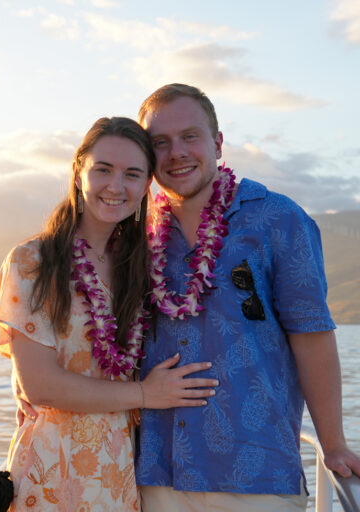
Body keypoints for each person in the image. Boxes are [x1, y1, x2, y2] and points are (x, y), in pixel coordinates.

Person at [133, 83, 360, 512]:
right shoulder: (135, 232)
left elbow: (311, 335)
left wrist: (334, 445)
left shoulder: (278, 218)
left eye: (190, 137)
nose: (176, 152)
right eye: (159, 143)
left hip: (255, 477)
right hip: (155, 477)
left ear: (217, 144)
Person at [0, 116, 218, 511]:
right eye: (103, 169)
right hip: (52, 470)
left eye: (132, 173)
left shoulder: (140, 264)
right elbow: (39, 385)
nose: (116, 186)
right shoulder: (33, 261)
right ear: (78, 170)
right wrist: (147, 394)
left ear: (147, 184)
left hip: (121, 472)